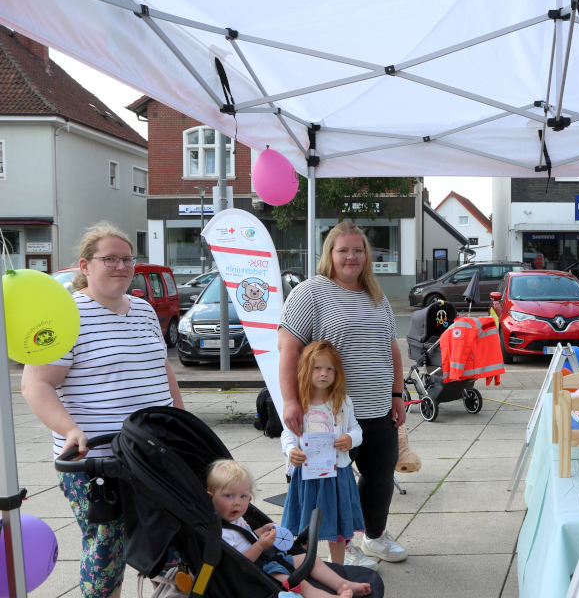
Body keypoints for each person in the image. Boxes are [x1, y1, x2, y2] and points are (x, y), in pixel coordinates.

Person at [21, 222, 184, 598]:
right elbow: (35, 385)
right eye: (109, 258)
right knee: (106, 548)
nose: (121, 266)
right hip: (96, 459)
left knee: (171, 540)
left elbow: (162, 370)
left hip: (153, 455)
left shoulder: (143, 310)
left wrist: (181, 420)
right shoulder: (65, 317)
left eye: (127, 259)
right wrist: (71, 430)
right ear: (85, 265)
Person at [279, 222, 406, 570]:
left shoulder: (376, 297)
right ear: (329, 254)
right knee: (335, 488)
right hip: (329, 416)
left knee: (379, 480)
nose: (351, 256)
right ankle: (346, 546)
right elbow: (288, 349)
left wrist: (397, 393)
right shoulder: (311, 293)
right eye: (343, 250)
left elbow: (391, 349)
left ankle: (375, 535)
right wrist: (291, 401)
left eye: (358, 250)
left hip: (378, 409)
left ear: (367, 255)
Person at [206, 459, 369, 597]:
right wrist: (260, 545)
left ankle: (342, 584)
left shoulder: (236, 518)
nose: (237, 502)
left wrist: (260, 532)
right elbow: (238, 562)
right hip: (254, 572)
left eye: (243, 496)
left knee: (311, 560)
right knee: (297, 581)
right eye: (229, 496)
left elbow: (245, 538)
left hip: (268, 558)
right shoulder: (221, 533)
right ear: (211, 498)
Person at [281, 341, 366, 565]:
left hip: (337, 475)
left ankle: (337, 569)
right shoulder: (299, 404)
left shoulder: (343, 402)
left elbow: (356, 428)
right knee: (305, 530)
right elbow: (287, 434)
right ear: (307, 370)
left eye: (330, 369)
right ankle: (306, 569)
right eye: (317, 368)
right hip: (307, 478)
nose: (324, 374)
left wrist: (350, 439)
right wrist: (291, 451)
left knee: (337, 528)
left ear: (337, 373)